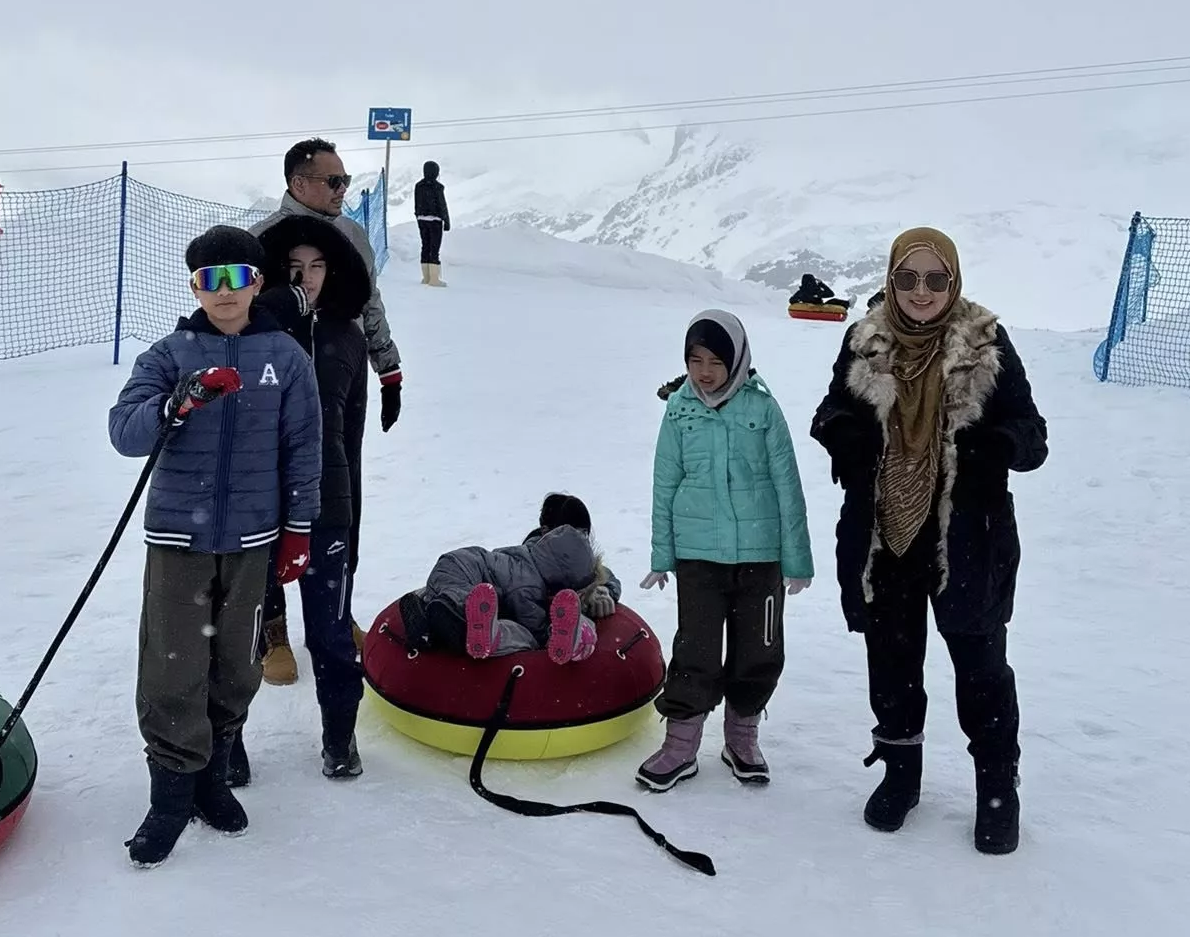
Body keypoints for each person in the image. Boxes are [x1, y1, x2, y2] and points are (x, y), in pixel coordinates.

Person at [809, 227, 1047, 856]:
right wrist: (843, 433)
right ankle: (900, 774)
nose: (921, 291)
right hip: (884, 536)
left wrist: (997, 447)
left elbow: (1032, 432)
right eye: (908, 278)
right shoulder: (865, 342)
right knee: (891, 664)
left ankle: (997, 788)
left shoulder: (986, 343)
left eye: (935, 279)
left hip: (968, 538)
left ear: (953, 281)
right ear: (891, 281)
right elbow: (830, 410)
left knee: (980, 668)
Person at [108, 227, 322, 866]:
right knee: (172, 666)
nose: (224, 292)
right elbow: (125, 433)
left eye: (237, 278)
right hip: (180, 540)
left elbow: (303, 446)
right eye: (210, 279)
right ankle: (171, 796)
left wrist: (299, 526)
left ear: (259, 284)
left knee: (235, 664)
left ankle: (213, 778)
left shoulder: (285, 357)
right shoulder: (170, 354)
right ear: (194, 287)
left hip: (254, 539)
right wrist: (177, 404)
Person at [637, 312, 812, 792]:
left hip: (761, 556)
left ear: (737, 361)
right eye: (695, 360)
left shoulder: (763, 408)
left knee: (759, 651)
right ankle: (680, 746)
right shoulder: (680, 410)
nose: (705, 372)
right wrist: (662, 555)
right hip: (699, 557)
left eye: (716, 361)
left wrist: (797, 559)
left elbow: (787, 485)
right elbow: (664, 483)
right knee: (695, 651)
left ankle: (742, 739)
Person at [245, 216, 372, 778]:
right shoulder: (255, 334)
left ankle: (340, 740)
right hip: (258, 508)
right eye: (295, 266)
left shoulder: (348, 337)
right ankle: (227, 747)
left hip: (328, 505)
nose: (307, 277)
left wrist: (351, 519)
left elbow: (352, 438)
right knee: (238, 636)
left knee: (332, 634)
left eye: (317, 266)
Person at [255, 138, 403, 430]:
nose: (343, 189)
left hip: (346, 374)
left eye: (345, 180)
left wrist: (389, 373)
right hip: (276, 381)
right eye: (334, 181)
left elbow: (369, 303)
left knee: (343, 454)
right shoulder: (261, 241)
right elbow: (234, 317)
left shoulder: (353, 235)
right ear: (298, 184)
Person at [398, 494, 620, 663]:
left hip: (457, 564)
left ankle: (428, 619)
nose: (583, 542)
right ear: (545, 531)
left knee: (453, 598)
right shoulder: (534, 580)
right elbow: (532, 620)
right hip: (466, 573)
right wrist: (544, 636)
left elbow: (602, 575)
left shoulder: (540, 556)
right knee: (516, 632)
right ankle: (457, 625)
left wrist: (605, 590)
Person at [413, 159, 451, 286]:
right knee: (434, 248)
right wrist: (446, 220)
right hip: (435, 220)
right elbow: (442, 205)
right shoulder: (438, 187)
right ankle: (434, 279)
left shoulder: (418, 186)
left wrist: (418, 215)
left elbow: (416, 203)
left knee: (425, 246)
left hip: (422, 220)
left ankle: (426, 277)